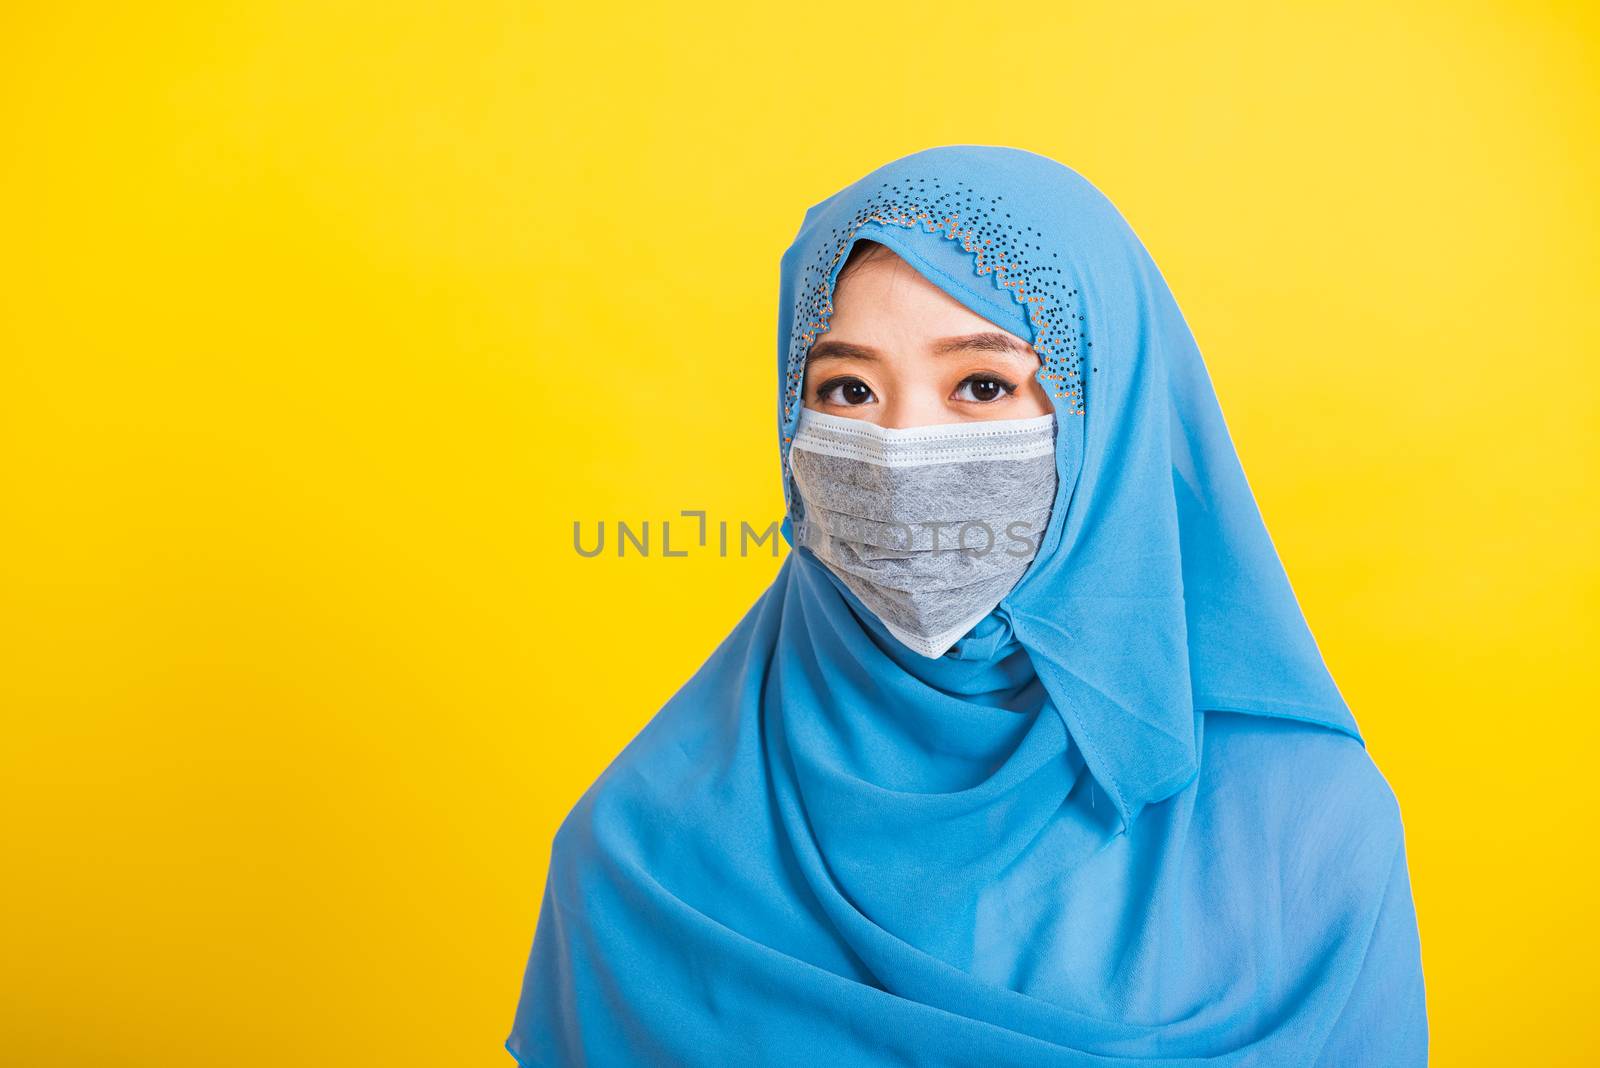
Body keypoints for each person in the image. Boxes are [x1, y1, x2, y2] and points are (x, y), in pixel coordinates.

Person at [505, 144, 1428, 1066]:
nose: (902, 448)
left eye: (982, 386)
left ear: (1105, 418)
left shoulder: (1303, 832)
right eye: (849, 389)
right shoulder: (642, 851)